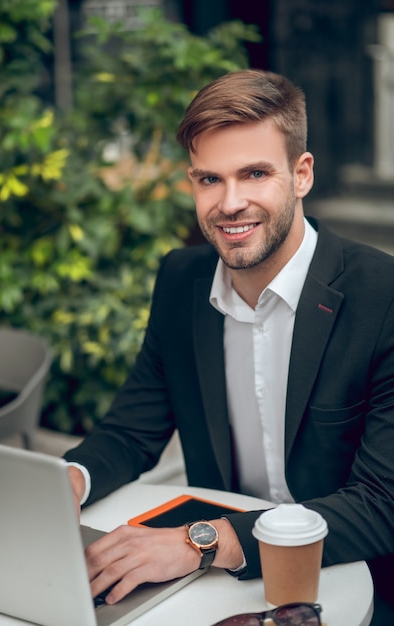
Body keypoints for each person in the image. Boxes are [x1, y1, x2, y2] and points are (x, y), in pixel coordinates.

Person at [64, 69, 394, 624]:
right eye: (209, 179)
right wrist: (66, 483)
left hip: (351, 579)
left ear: (302, 174)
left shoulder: (381, 295)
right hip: (217, 585)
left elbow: (383, 502)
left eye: (255, 174)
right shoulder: (181, 279)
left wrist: (197, 542)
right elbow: (131, 430)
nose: (230, 203)